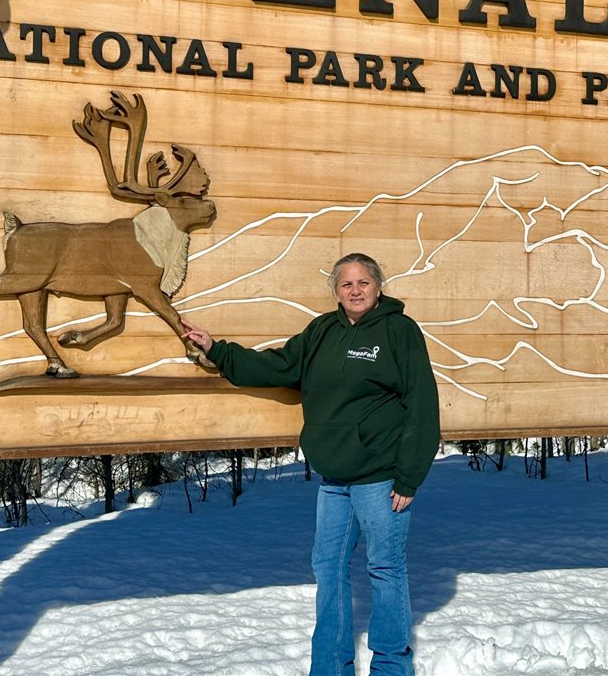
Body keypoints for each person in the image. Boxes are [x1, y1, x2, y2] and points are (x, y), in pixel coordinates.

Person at [182, 252, 440, 676]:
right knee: (328, 569)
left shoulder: (399, 331)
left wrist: (409, 477)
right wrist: (218, 350)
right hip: (333, 480)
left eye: (363, 283)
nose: (355, 291)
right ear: (336, 291)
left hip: (381, 479)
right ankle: (329, 667)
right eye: (346, 284)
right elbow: (281, 365)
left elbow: (422, 405)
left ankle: (392, 667)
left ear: (379, 287)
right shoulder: (322, 330)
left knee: (385, 568)